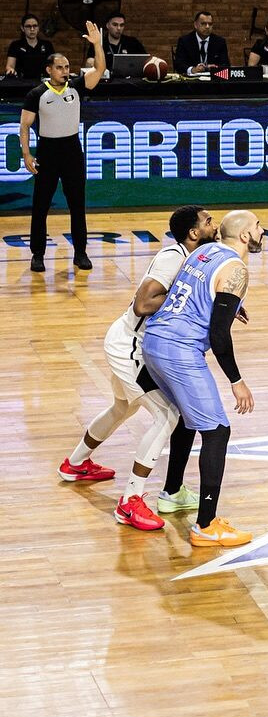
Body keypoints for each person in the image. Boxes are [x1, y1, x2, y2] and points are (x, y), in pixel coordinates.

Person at [58, 206, 218, 531]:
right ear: (192, 232)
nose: (214, 225)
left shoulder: (191, 259)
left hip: (127, 340)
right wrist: (190, 299)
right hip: (130, 345)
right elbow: (144, 303)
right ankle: (130, 502)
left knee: (122, 407)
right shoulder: (173, 256)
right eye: (208, 221)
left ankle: (75, 464)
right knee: (168, 414)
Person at [141, 210, 267, 548]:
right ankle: (206, 526)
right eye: (257, 226)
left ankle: (171, 493)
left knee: (187, 416)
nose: (262, 230)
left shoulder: (202, 251)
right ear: (244, 236)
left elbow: (192, 293)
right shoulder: (236, 270)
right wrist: (236, 380)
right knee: (218, 431)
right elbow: (218, 335)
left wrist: (225, 306)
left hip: (153, 341)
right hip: (179, 351)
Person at [20, 20, 106, 272]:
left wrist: (97, 45)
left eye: (67, 67)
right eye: (60, 67)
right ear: (49, 70)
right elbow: (24, 126)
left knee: (77, 204)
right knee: (41, 205)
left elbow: (100, 68)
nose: (65, 71)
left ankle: (80, 253)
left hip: (71, 150)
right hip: (47, 151)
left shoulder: (77, 86)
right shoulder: (36, 94)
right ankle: (38, 255)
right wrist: (26, 153)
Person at [174, 11, 231, 76]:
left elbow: (226, 65)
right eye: (203, 24)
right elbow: (178, 64)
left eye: (210, 24)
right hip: (191, 82)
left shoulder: (220, 41)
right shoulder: (185, 41)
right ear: (195, 25)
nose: (207, 27)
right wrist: (192, 69)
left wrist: (216, 67)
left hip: (213, 81)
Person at [6, 14, 55, 80]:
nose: (32, 29)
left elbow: (53, 64)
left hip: (43, 83)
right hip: (21, 83)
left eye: (35, 26)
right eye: (28, 26)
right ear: (22, 28)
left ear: (38, 28)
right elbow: (10, 65)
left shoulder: (47, 45)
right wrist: (11, 70)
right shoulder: (15, 45)